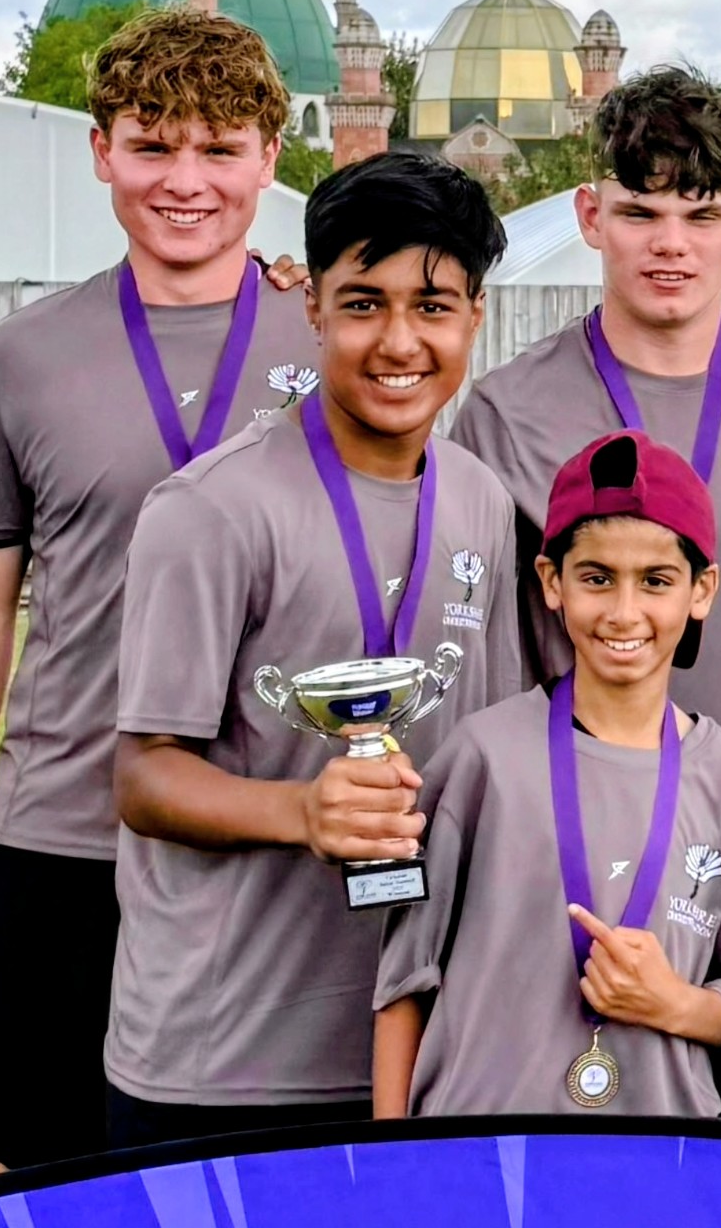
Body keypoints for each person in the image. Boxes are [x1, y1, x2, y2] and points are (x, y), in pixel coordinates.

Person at [0, 10, 318, 1174]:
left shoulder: (332, 336)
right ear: (100, 151)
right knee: (4, 1209)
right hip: (57, 844)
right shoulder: (26, 355)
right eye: (152, 143)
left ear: (269, 158)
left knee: (243, 1221)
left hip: (264, 851)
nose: (185, 181)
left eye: (219, 147)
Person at [449, 67, 721, 1122]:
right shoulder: (508, 410)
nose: (669, 243)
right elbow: (488, 648)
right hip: (570, 833)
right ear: (591, 215)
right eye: (639, 211)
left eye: (700, 213)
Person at [104, 152, 531, 1144]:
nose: (397, 341)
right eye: (362, 302)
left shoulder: (480, 501)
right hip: (221, 1067)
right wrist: (302, 808)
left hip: (422, 1051)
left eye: (431, 305)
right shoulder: (209, 508)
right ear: (313, 310)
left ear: (474, 316)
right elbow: (140, 776)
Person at [374, 433, 721, 1117]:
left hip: (653, 1163)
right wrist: (392, 1161)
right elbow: (403, 980)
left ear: (702, 590)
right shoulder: (483, 757)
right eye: (596, 577)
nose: (623, 612)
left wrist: (676, 1003)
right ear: (552, 582)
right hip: (476, 1154)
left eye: (656, 581)